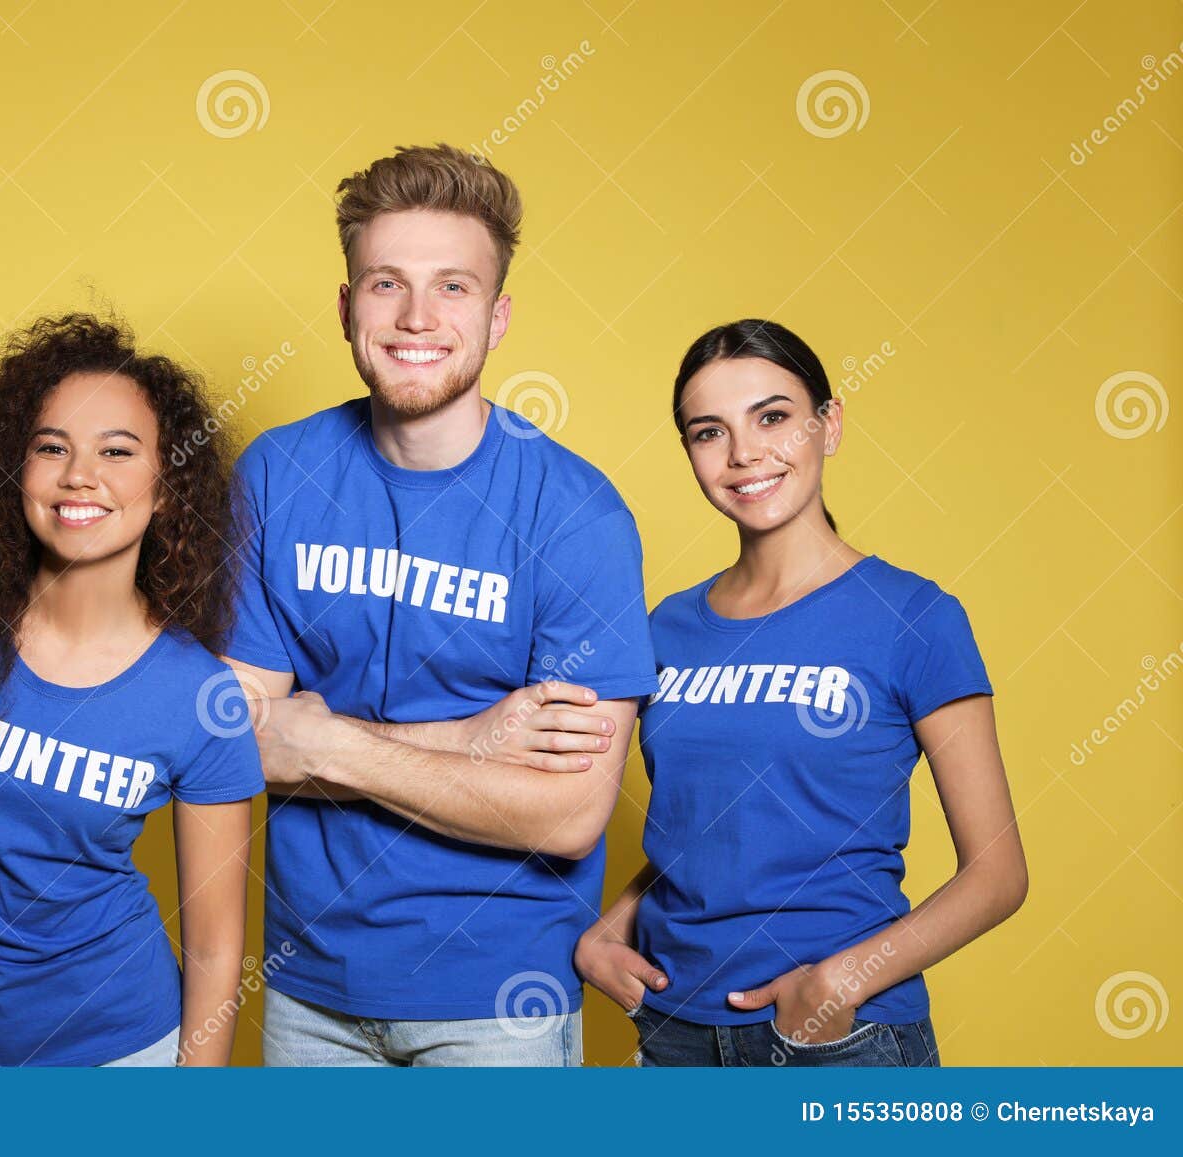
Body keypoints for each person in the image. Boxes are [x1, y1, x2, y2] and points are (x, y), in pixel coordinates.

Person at [225, 143, 659, 1066]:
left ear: (498, 317)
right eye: (386, 284)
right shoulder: (277, 472)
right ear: (346, 308)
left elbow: (570, 813)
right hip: (308, 990)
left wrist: (329, 738)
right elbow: (236, 737)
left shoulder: (576, 513)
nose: (417, 316)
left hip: (501, 998)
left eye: (453, 287)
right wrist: (470, 740)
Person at [575, 318, 1028, 1067]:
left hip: (838, 1037)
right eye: (708, 432)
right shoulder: (666, 628)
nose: (745, 453)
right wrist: (611, 925)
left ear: (830, 423)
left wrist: (842, 980)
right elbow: (710, 828)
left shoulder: (913, 617)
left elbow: (998, 872)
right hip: (675, 1031)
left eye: (774, 417)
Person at [0, 313, 263, 1067]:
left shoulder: (201, 698)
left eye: (117, 451)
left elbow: (219, 948)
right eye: (51, 447)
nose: (78, 475)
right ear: (15, 468)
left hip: (121, 1054)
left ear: (167, 489)